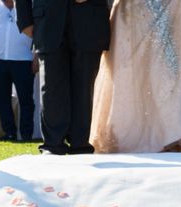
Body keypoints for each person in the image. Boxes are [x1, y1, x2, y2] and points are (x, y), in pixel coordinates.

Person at [90, 0, 181, 153]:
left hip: (166, 8)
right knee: (133, 74)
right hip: (132, 12)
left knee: (166, 73)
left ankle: (173, 134)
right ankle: (153, 134)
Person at [15, 0, 111, 155]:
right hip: (47, 22)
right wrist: (24, 20)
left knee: (84, 87)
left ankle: (80, 143)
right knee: (52, 87)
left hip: (90, 21)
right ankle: (53, 144)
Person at [0, 0, 35, 141]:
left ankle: (27, 134)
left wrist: (36, 56)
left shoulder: (28, 5)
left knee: (26, 99)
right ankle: (9, 132)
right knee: (1, 98)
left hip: (23, 60)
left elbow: (37, 33)